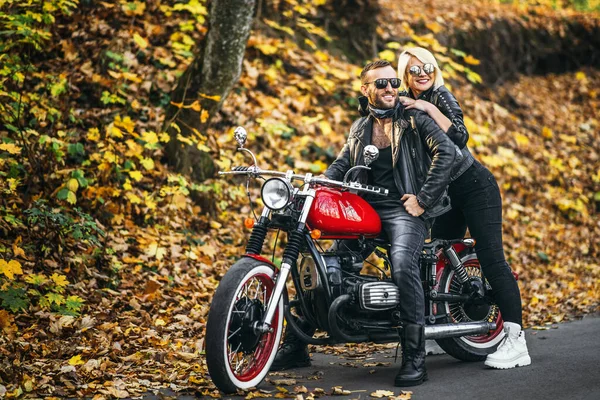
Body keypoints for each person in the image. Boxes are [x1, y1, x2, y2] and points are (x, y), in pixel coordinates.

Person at [271, 59, 456, 387]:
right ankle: (297, 344)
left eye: (393, 83)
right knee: (325, 265)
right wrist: (314, 185)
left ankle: (415, 357)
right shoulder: (360, 127)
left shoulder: (414, 119)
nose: (389, 89)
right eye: (381, 84)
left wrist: (423, 199)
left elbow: (447, 151)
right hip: (366, 211)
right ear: (365, 89)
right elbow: (342, 164)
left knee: (402, 265)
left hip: (405, 211)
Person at [396, 47, 531, 369]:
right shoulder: (402, 102)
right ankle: (437, 331)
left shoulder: (439, 95)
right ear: (404, 75)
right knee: (435, 258)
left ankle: (516, 341)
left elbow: (460, 136)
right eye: (414, 70)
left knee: (491, 258)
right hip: (445, 195)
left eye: (427, 66)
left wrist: (427, 106)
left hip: (474, 186)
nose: (422, 73)